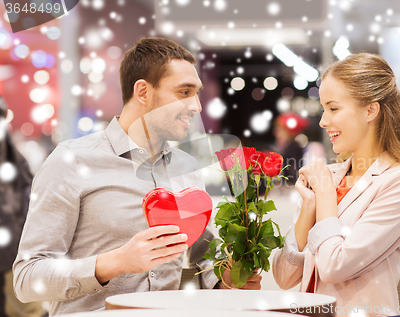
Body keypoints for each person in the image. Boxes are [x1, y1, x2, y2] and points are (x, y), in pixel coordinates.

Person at [13, 38, 260, 316]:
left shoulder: (187, 167)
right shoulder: (72, 161)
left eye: (197, 93)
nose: (197, 107)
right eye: (184, 92)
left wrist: (224, 280)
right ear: (142, 91)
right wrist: (116, 262)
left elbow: (199, 261)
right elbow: (26, 279)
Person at [272, 53, 400, 317]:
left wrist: (323, 195)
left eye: (333, 108)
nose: (323, 121)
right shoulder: (330, 177)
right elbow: (283, 277)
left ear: (371, 110)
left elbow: (334, 267)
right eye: (323, 109)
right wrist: (308, 208)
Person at [0, 98, 45, 317]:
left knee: (25, 308)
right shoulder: (13, 154)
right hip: (15, 241)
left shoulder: (13, 155)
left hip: (15, 244)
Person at [272, 113, 309, 186]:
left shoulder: (294, 147)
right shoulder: (283, 146)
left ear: (288, 131)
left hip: (291, 186)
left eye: (280, 129)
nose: (276, 132)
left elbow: (293, 171)